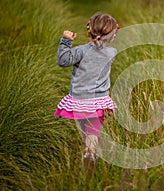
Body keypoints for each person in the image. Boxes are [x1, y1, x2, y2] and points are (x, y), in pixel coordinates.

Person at [54, 13, 120, 169]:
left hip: (80, 98)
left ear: (88, 31)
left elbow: (63, 61)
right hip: (99, 100)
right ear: (112, 37)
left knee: (84, 124)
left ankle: (88, 151)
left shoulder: (81, 51)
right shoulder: (112, 53)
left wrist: (66, 41)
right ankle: (90, 152)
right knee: (93, 128)